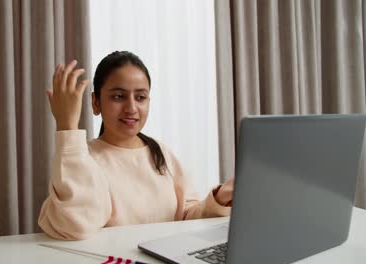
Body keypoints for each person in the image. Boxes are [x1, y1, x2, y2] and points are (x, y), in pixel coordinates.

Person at [38, 51, 235, 240]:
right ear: (96, 102)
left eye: (140, 97)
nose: (131, 108)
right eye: (118, 96)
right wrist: (68, 127)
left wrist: (219, 198)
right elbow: (74, 226)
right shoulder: (82, 159)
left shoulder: (160, 153)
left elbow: (186, 217)